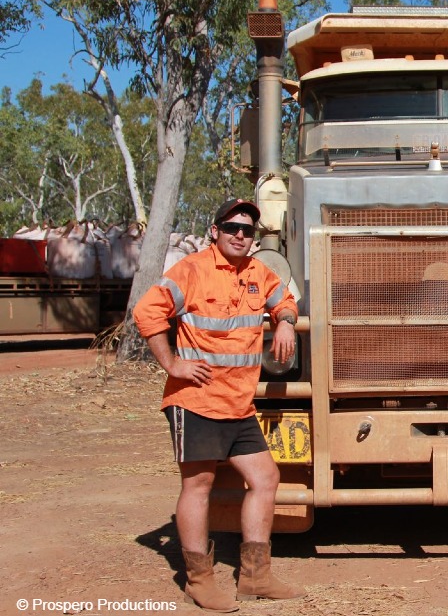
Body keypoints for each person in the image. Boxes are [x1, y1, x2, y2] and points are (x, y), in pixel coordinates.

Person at [134, 198, 305, 612]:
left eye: (247, 230)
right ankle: (199, 579)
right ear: (216, 230)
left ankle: (255, 576)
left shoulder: (258, 273)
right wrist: (173, 363)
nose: (240, 236)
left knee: (265, 478)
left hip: (238, 404)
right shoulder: (191, 271)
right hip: (195, 401)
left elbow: (285, 300)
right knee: (199, 486)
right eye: (232, 228)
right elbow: (146, 311)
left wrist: (284, 322)